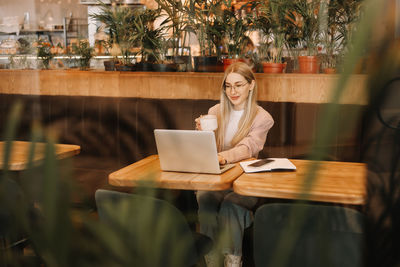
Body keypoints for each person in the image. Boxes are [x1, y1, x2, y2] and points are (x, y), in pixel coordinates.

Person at [195, 62, 274, 267]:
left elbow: (248, 148)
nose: (233, 91)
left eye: (238, 85)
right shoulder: (215, 111)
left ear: (251, 85)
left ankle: (233, 259)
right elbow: (206, 148)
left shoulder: (262, 117)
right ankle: (211, 257)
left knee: (232, 204)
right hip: (220, 177)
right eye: (228, 86)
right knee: (204, 196)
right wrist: (202, 134)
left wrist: (223, 157)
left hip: (247, 181)